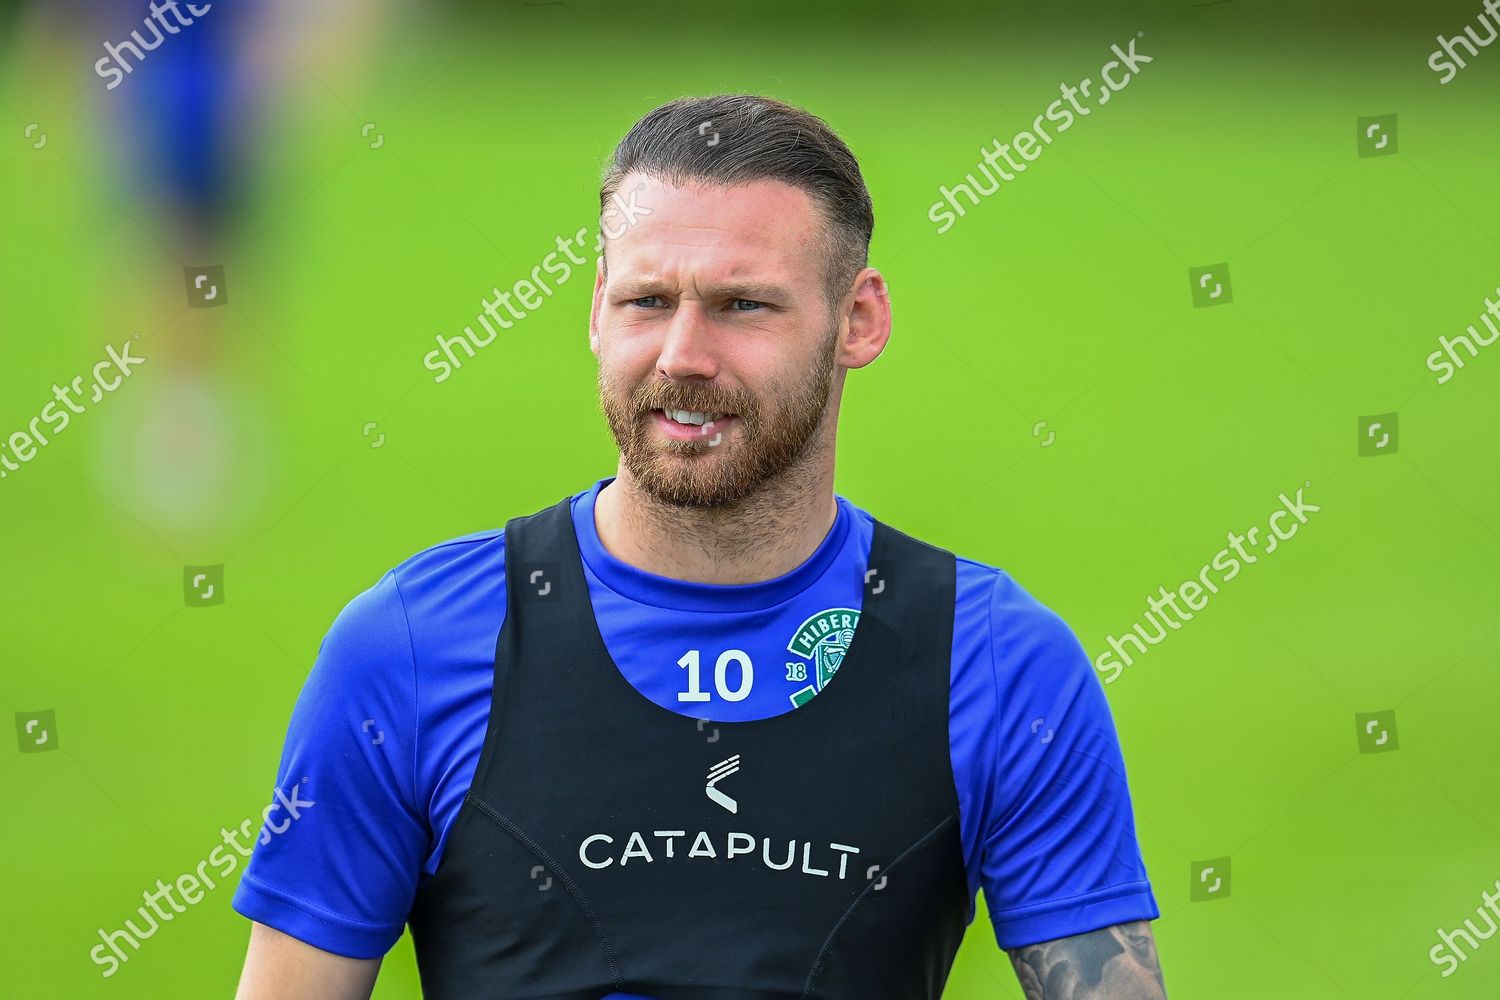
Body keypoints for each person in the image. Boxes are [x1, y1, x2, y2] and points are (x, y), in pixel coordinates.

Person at [232, 93, 1167, 1000]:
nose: (683, 353)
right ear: (597, 308)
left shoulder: (1000, 664)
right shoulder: (409, 648)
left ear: (859, 319)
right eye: (647, 299)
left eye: (743, 306)